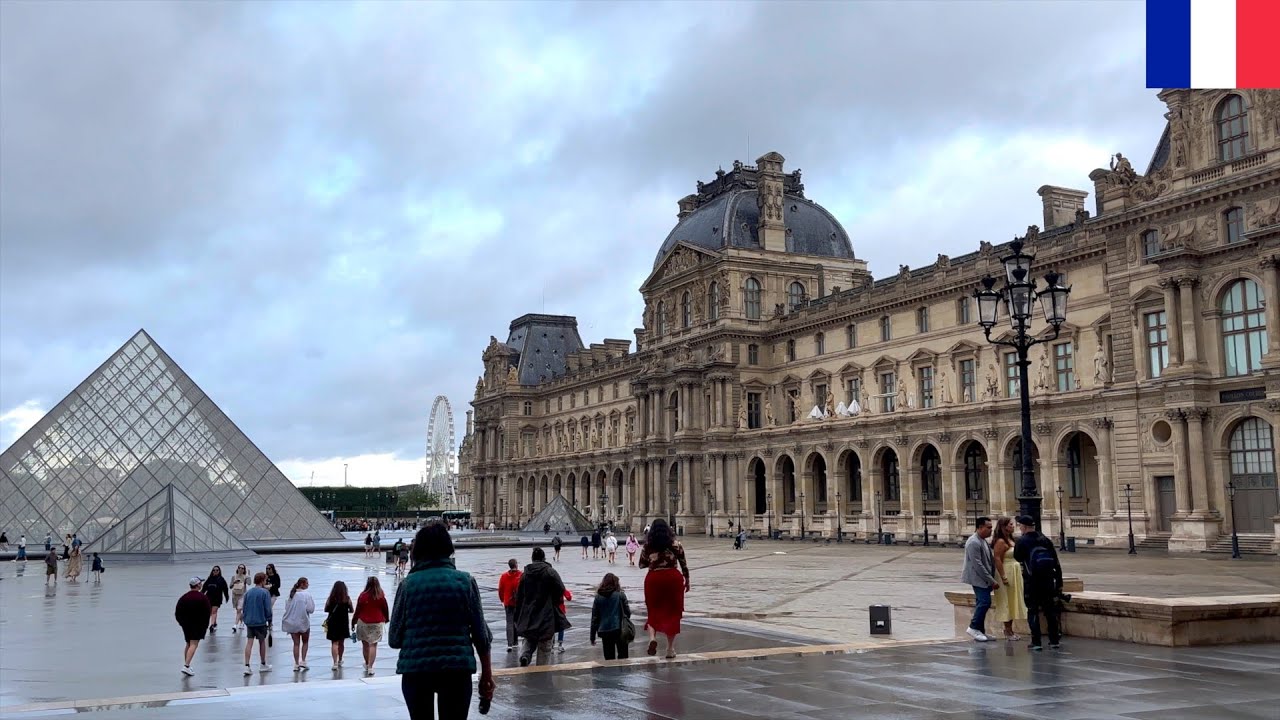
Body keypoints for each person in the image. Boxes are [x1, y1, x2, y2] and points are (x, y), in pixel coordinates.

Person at [388, 521, 495, 720]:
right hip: (456, 670)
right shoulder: (465, 581)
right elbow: (482, 635)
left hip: (416, 670)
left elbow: (394, 638)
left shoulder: (407, 585)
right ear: (448, 549)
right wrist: (486, 675)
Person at [639, 518, 690, 659]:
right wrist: (687, 580)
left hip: (654, 579)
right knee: (673, 613)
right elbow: (684, 564)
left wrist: (654, 560)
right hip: (673, 579)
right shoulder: (676, 544)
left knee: (653, 610)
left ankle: (652, 638)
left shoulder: (648, 545)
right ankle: (670, 649)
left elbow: (641, 564)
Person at [1013, 515, 1064, 651]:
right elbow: (1056, 562)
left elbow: (1017, 557)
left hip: (1031, 581)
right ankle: (1054, 640)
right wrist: (1059, 581)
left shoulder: (1022, 541)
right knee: (1050, 611)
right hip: (1048, 581)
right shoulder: (1045, 539)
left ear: (1023, 527)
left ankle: (1036, 642)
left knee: (1032, 611)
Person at [513, 546, 570, 667]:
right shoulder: (550, 572)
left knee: (529, 637)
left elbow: (519, 596)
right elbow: (560, 589)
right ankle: (542, 671)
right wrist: (553, 599)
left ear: (532, 559)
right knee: (545, 644)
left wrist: (518, 615)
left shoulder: (525, 574)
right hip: (546, 613)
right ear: (544, 558)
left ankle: (525, 655)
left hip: (529, 612)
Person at [960, 516, 998, 643]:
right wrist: (991, 580)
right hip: (978, 578)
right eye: (988, 528)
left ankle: (980, 631)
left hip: (984, 578)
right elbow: (978, 565)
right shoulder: (973, 542)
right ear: (980, 527)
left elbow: (989, 561)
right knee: (984, 602)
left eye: (991, 528)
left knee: (982, 602)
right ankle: (973, 627)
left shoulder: (982, 540)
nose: (990, 530)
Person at [991, 517, 1027, 641]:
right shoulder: (1000, 541)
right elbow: (997, 559)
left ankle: (1010, 629)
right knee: (1006, 600)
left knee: (1012, 601)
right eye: (1011, 524)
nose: (1013, 526)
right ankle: (1007, 630)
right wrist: (1003, 577)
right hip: (1007, 572)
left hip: (1014, 571)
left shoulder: (1011, 539)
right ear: (1004, 526)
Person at [590, 572, 632, 661]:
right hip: (620, 629)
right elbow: (628, 613)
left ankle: (611, 674)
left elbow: (595, 618)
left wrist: (592, 636)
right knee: (623, 656)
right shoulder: (620, 595)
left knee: (609, 658)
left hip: (604, 630)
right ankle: (622, 673)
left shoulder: (598, 597)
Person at [175, 577, 213, 676]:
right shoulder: (202, 597)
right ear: (197, 585)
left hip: (186, 625)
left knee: (188, 643)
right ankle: (186, 666)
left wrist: (181, 622)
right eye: (200, 583)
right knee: (194, 644)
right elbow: (207, 611)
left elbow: (177, 612)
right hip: (198, 625)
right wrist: (205, 625)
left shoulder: (184, 597)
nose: (201, 585)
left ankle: (187, 664)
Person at [353, 576, 389, 676]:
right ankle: (370, 667)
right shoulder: (380, 596)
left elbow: (358, 609)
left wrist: (354, 621)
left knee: (365, 645)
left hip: (363, 622)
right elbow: (385, 609)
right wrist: (386, 618)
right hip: (377, 622)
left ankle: (367, 662)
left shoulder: (362, 595)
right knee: (373, 645)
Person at [242, 572, 273, 674]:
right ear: (262, 580)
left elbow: (244, 607)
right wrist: (269, 619)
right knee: (262, 642)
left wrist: (245, 618)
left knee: (249, 642)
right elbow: (268, 608)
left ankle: (247, 665)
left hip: (250, 621)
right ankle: (263, 664)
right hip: (260, 621)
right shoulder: (265, 593)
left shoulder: (248, 593)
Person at [283, 577, 316, 672]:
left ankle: (296, 663)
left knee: (296, 644)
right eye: (307, 583)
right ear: (302, 584)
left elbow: (287, 607)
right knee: (305, 642)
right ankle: (303, 661)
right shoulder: (306, 595)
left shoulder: (291, 595)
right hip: (304, 622)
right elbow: (311, 609)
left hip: (292, 622)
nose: (308, 585)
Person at [324, 580, 353, 670]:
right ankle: (340, 659)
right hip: (343, 622)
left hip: (333, 622)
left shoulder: (331, 598)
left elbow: (326, 609)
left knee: (334, 643)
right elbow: (352, 610)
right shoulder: (347, 599)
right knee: (341, 642)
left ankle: (335, 662)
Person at [497, 558, 523, 652]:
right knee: (516, 621)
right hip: (518, 602)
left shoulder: (504, 576)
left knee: (509, 622)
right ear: (516, 564)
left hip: (508, 602)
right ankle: (516, 641)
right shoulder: (521, 575)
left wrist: (502, 600)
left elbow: (500, 589)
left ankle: (510, 644)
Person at [203, 566, 229, 632]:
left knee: (214, 611)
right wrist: (200, 595)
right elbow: (204, 588)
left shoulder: (221, 579)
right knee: (210, 612)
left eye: (217, 570)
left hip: (217, 598)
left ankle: (211, 625)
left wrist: (227, 596)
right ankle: (214, 623)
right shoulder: (209, 579)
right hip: (208, 598)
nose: (215, 571)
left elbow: (225, 589)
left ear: (219, 571)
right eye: (214, 570)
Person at [230, 564, 250, 631]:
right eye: (239, 568)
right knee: (238, 610)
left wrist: (248, 577)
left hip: (242, 595)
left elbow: (249, 583)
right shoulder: (234, 577)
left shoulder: (245, 577)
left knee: (239, 610)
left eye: (242, 568)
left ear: (244, 570)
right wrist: (234, 582)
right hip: (235, 595)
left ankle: (235, 625)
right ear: (237, 569)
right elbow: (230, 586)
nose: (241, 569)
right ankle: (242, 622)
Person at [555, 587, 573, 653]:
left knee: (551, 627)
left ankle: (551, 645)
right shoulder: (561, 587)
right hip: (560, 610)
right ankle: (560, 644)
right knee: (561, 627)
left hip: (551, 610)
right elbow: (569, 597)